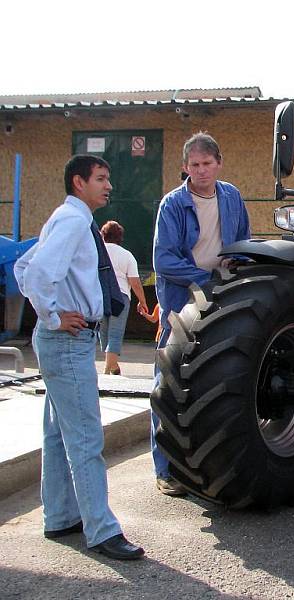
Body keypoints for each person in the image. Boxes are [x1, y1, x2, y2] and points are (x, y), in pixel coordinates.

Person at [14, 154, 144, 560]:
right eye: (101, 178)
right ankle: (102, 530)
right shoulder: (72, 221)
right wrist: (52, 316)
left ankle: (60, 517)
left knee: (57, 435)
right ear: (78, 182)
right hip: (68, 341)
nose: (108, 186)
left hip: (66, 342)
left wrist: (50, 316)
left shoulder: (67, 218)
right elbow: (35, 275)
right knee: (86, 437)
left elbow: (22, 265)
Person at [151, 132, 251, 496]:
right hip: (181, 297)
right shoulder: (173, 204)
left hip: (223, 294)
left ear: (219, 163)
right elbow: (163, 260)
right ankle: (164, 469)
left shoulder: (232, 196)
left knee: (211, 376)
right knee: (167, 377)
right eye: (194, 165)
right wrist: (205, 277)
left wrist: (234, 269)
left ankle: (206, 462)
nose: (201, 171)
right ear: (184, 167)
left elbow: (243, 244)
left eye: (207, 163)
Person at [98, 220, 149, 375]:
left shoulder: (97, 252)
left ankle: (111, 365)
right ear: (120, 237)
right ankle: (110, 367)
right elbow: (134, 281)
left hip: (100, 295)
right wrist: (142, 301)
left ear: (103, 235)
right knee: (116, 331)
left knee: (104, 331)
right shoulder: (126, 255)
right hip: (120, 297)